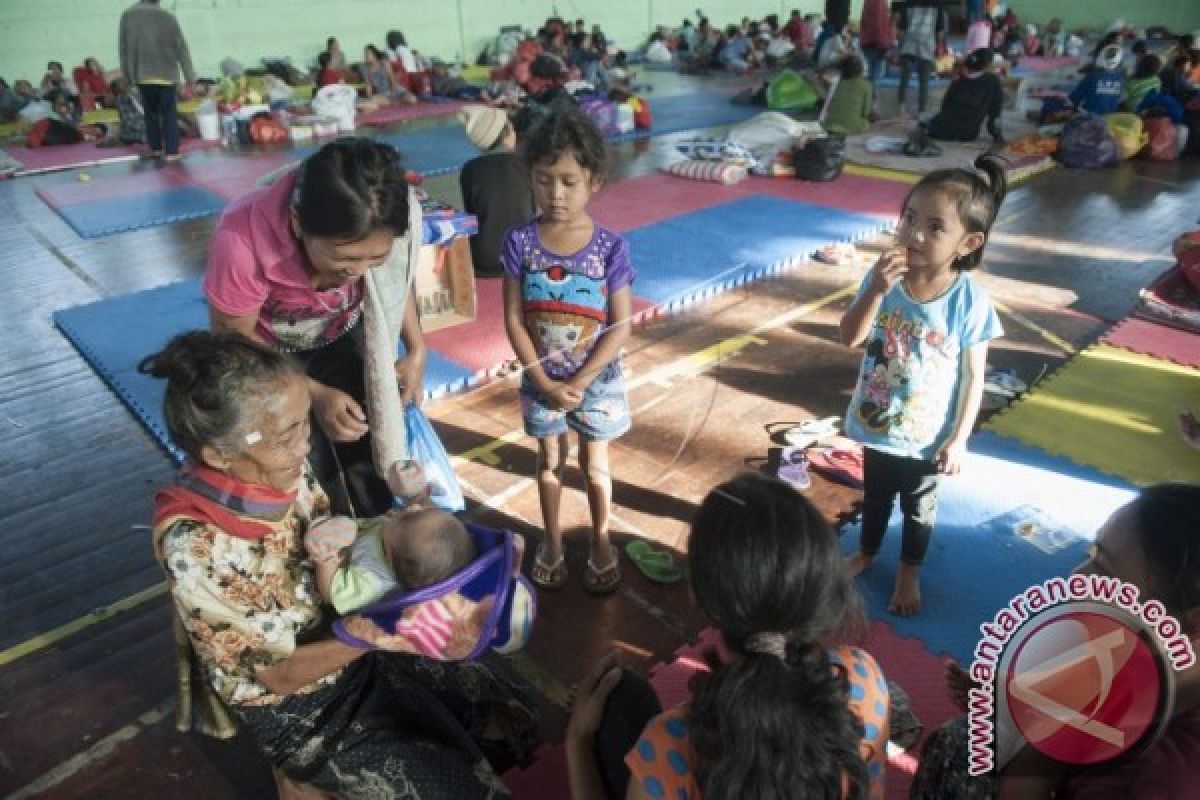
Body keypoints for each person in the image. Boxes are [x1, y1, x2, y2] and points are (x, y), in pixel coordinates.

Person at [142, 330, 533, 798]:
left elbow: (347, 539)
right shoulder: (199, 547)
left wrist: (413, 505)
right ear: (218, 455)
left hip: (348, 634)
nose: (304, 448)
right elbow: (276, 675)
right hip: (302, 703)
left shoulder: (276, 467)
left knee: (508, 714)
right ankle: (299, 774)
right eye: (287, 437)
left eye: (304, 425)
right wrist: (383, 629)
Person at [564, 473, 891, 800]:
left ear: (699, 598)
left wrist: (577, 741)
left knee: (623, 697)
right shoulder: (865, 677)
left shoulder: (670, 747)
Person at [911, 483, 1200, 799]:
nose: (1077, 576)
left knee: (957, 748)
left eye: (1104, 569)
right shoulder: (1150, 656)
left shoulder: (1153, 777)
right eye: (1091, 554)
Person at [203, 138, 428, 519]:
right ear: (296, 224)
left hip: (346, 331)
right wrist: (313, 393)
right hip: (268, 354)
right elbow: (233, 340)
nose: (357, 271)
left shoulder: (394, 218)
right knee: (299, 451)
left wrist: (417, 348)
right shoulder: (243, 240)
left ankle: (376, 528)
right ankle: (322, 538)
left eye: (374, 257)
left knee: (368, 438)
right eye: (342, 258)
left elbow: (394, 282)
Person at [841, 155, 1007, 616]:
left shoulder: (968, 300)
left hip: (927, 436)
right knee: (874, 498)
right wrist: (874, 290)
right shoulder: (883, 282)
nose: (913, 234)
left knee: (919, 509)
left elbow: (975, 377)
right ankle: (867, 551)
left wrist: (959, 439)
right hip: (875, 423)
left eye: (935, 227)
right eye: (909, 218)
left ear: (967, 242)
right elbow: (849, 337)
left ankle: (909, 569)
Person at [501, 109, 634, 594]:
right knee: (550, 463)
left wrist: (577, 383)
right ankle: (552, 541)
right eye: (544, 180)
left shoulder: (610, 248)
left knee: (594, 466)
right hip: (541, 379)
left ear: (593, 182)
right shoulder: (519, 242)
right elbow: (515, 319)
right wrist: (543, 381)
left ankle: (601, 541)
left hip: (595, 382)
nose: (556, 194)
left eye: (569, 182)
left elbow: (620, 325)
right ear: (530, 180)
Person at [306, 508, 478, 614]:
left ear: (389, 555)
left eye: (413, 516)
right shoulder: (395, 532)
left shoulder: (373, 580)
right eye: (423, 510)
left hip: (326, 570)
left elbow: (331, 595)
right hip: (341, 536)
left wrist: (325, 562)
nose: (414, 507)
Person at [459, 106, 535, 278]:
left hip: (482, 260)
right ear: (509, 133)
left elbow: (472, 215)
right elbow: (532, 211)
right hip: (524, 257)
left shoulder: (470, 170)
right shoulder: (526, 165)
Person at [118, 0, 195, 161]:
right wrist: (190, 77)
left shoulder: (128, 15)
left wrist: (127, 76)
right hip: (167, 74)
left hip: (143, 75)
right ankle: (172, 152)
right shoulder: (168, 17)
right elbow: (181, 48)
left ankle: (156, 149)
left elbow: (124, 48)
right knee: (169, 114)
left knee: (150, 113)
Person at [925, 47, 1005, 143]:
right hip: (967, 132)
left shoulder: (959, 82)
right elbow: (995, 112)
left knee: (927, 126)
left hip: (951, 127)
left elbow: (945, 107)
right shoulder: (992, 81)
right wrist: (996, 134)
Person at [897, 0, 947, 114]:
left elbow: (901, 30)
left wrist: (900, 44)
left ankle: (901, 109)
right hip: (927, 46)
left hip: (908, 45)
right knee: (924, 82)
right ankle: (921, 112)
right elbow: (940, 31)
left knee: (904, 78)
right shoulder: (938, 4)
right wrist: (937, 45)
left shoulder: (908, 3)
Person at [1069, 44, 1125, 115]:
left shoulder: (1093, 76)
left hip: (1090, 116)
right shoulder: (1121, 78)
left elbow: (1074, 98)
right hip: (1110, 117)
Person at [824, 56, 873, 135]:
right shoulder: (866, 85)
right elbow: (866, 111)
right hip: (852, 127)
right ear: (861, 69)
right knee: (866, 123)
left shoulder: (836, 82)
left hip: (829, 125)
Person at [859, 0, 895, 86]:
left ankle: (867, 97)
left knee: (871, 73)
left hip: (867, 41)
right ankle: (870, 97)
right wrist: (884, 44)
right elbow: (879, 24)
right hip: (876, 43)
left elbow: (864, 21)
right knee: (876, 74)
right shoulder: (880, 2)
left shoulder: (868, 2)